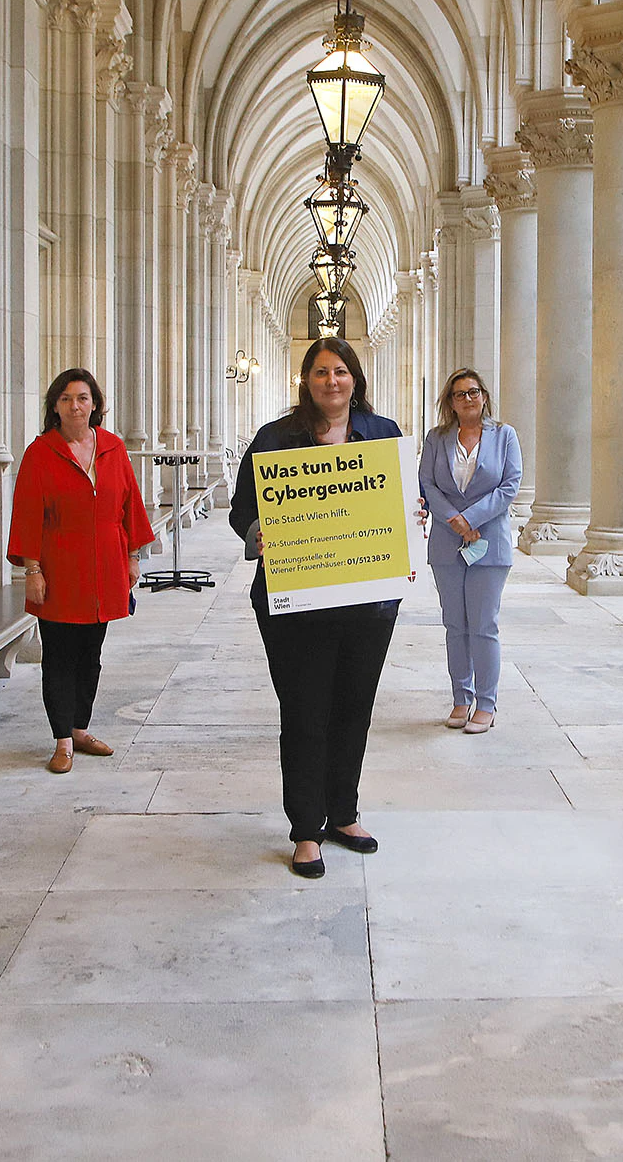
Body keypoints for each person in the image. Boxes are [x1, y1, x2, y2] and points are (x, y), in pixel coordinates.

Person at [230, 337, 407, 879]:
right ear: (305, 381)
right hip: (296, 604)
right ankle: (307, 828)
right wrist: (258, 533)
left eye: (341, 371)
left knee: (354, 708)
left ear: (356, 378)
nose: (332, 381)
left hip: (367, 602)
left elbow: (400, 505)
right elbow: (243, 510)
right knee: (305, 713)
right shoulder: (276, 438)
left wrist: (410, 531)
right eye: (321, 372)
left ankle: (344, 813)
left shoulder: (383, 435)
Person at [8, 368, 156, 774]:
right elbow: (27, 514)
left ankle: (79, 728)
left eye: (83, 398)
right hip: (59, 566)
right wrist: (31, 569)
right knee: (59, 656)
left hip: (106, 564)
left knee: (91, 655)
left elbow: (129, 504)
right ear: (55, 407)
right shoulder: (41, 453)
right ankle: (60, 740)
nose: (76, 405)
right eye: (67, 398)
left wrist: (131, 558)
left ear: (95, 405)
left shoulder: (112, 448)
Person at [417, 369, 521, 733]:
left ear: (484, 396)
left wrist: (472, 517)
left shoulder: (504, 435)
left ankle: (486, 704)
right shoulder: (437, 438)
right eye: (459, 394)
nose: (467, 399)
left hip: (489, 543)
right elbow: (427, 482)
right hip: (447, 544)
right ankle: (461, 698)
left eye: (473, 392)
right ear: (450, 402)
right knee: (455, 625)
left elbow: (510, 485)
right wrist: (453, 520)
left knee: (484, 625)